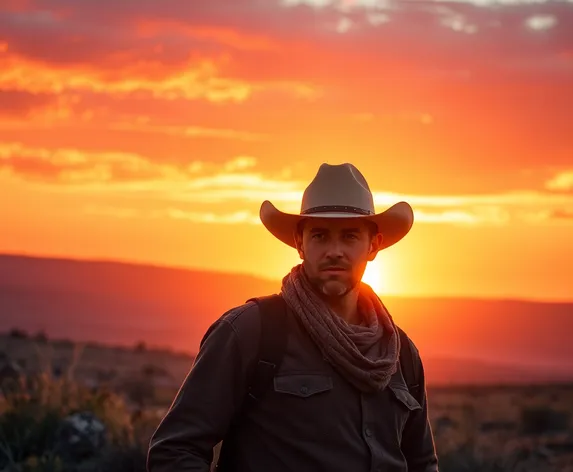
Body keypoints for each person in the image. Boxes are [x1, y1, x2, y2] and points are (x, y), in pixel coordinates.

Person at [147, 163, 439, 472]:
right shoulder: (252, 332)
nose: (335, 251)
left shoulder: (400, 353)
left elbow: (422, 463)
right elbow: (175, 451)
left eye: (350, 236)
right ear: (300, 244)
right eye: (320, 236)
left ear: (373, 245)